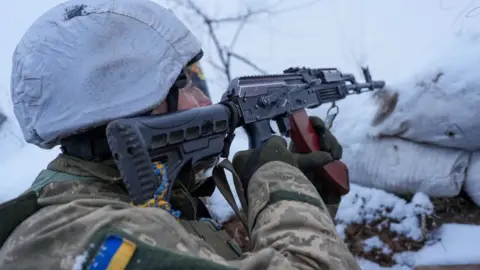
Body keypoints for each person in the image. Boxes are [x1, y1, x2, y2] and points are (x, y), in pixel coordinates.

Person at [0, 0, 361, 269]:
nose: (206, 100)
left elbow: (214, 257)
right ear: (130, 104)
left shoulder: (120, 199)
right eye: (184, 84)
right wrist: (279, 180)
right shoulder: (82, 236)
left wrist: (303, 195)